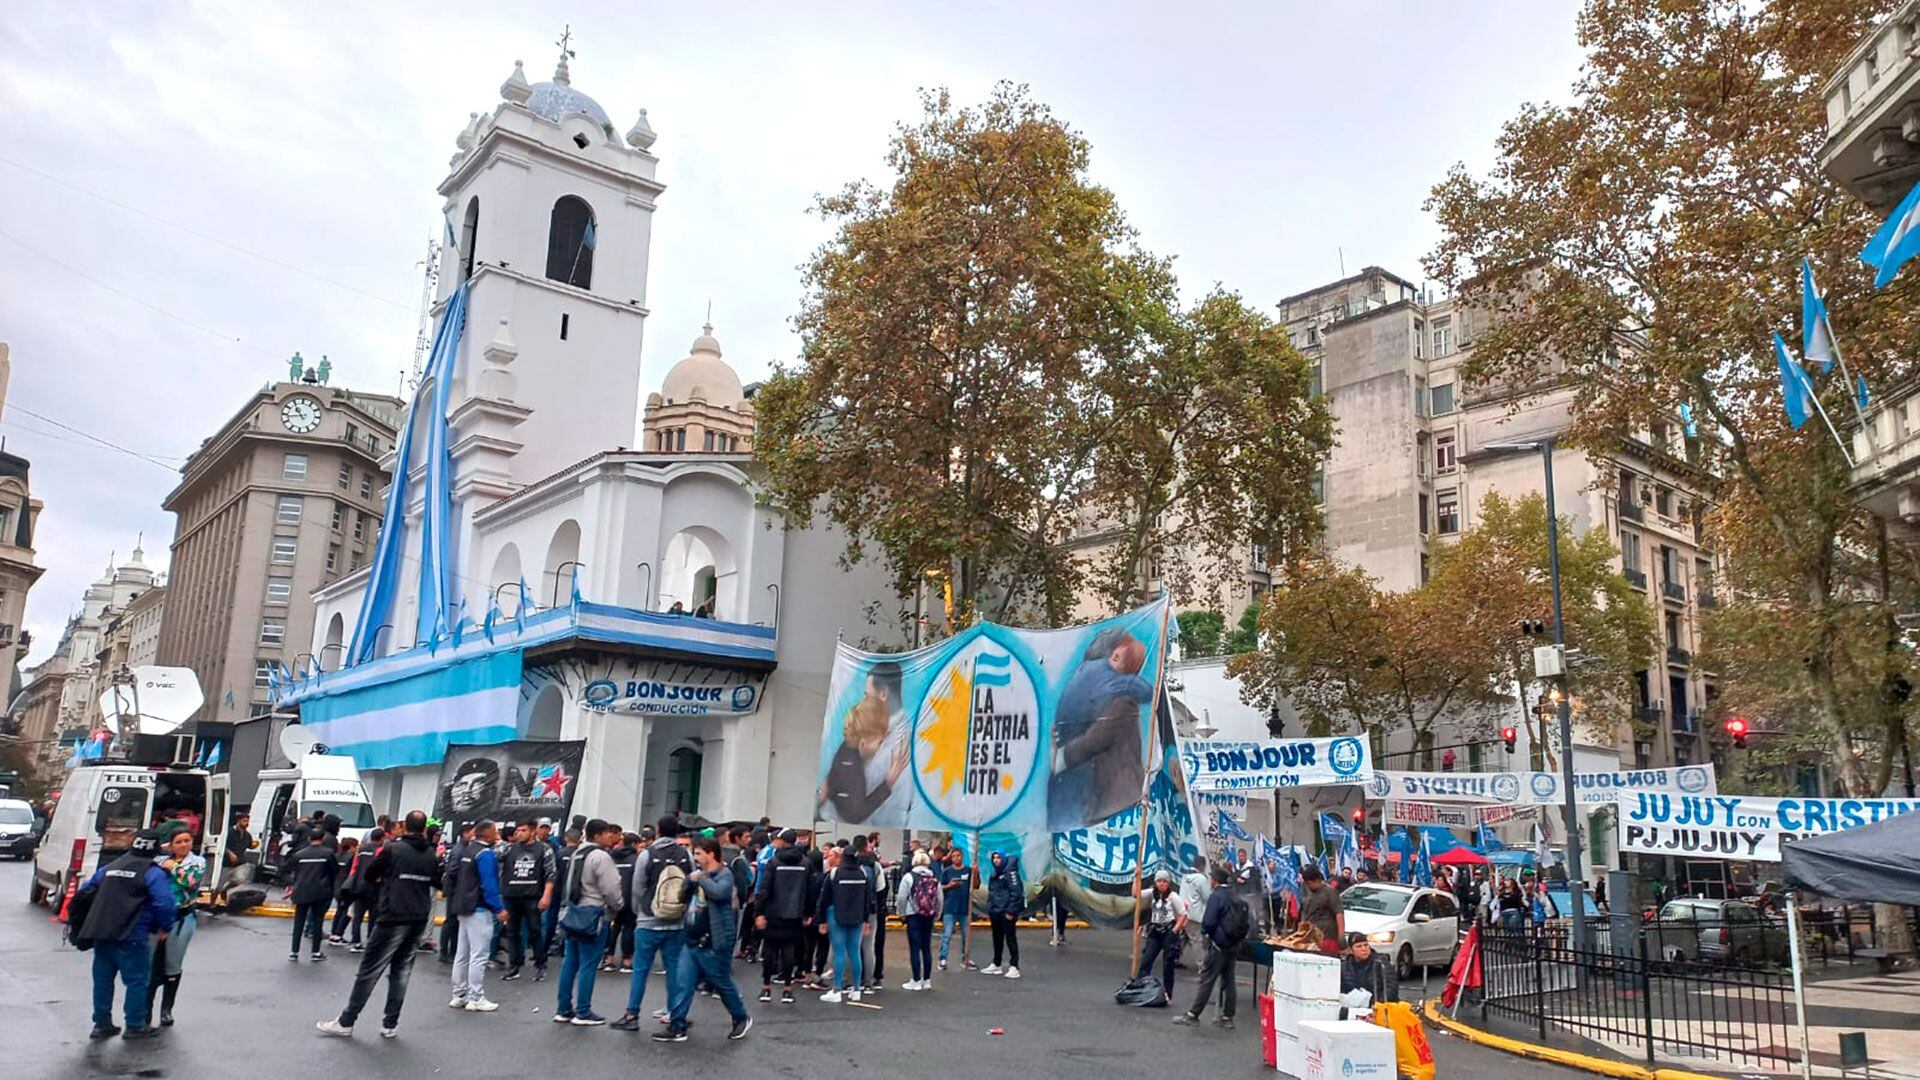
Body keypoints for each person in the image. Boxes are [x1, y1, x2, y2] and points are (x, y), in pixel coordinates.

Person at [317, 810, 439, 1039]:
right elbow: (436, 880)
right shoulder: (431, 854)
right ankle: (390, 1023)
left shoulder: (393, 849)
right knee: (401, 971)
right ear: (423, 829)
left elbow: (371, 873)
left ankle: (347, 1020)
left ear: (404, 827)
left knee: (369, 970)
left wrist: (387, 881)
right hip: (418, 916)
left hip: (393, 914)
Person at [78, 828, 177, 1041]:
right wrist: (164, 927)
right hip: (132, 934)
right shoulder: (152, 872)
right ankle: (134, 1025)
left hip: (102, 932)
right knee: (137, 981)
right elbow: (165, 903)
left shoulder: (110, 868)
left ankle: (101, 1023)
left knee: (103, 979)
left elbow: (86, 891)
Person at [658, 835, 753, 1042]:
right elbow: (682, 897)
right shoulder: (698, 875)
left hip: (713, 940)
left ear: (711, 854)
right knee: (683, 981)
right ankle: (677, 1025)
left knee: (721, 982)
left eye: (698, 853)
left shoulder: (724, 874)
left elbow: (720, 893)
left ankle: (740, 1017)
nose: (696, 857)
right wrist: (688, 883)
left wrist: (700, 878)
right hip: (692, 937)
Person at [613, 817, 694, 1031]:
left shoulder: (647, 854)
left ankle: (632, 1014)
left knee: (640, 969)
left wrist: (641, 911)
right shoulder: (684, 854)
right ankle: (675, 1013)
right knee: (674, 969)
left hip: (649, 920)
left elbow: (638, 886)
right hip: (676, 921)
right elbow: (690, 882)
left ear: (658, 830)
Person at [818, 662, 909, 823]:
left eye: (867, 695)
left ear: (883, 694)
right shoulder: (854, 747)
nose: (864, 702)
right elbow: (853, 811)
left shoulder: (898, 743)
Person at [553, 819, 623, 1026]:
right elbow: (611, 888)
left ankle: (563, 1008)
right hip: (593, 912)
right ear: (599, 835)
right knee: (588, 964)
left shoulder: (577, 853)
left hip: (573, 910)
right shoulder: (600, 856)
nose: (611, 837)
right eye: (608, 833)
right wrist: (617, 906)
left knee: (570, 962)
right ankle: (583, 1011)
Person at [146, 822, 206, 1027]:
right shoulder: (161, 859)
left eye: (187, 841)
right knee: (150, 964)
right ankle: (146, 1009)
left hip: (182, 917)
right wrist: (163, 850)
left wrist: (175, 867)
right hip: (157, 918)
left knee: (173, 963)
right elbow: (145, 858)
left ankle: (166, 1009)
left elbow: (190, 881)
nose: (183, 845)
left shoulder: (197, 862)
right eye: (178, 842)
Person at [1173, 866, 1247, 1029]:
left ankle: (1193, 1015)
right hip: (1233, 944)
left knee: (1207, 980)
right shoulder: (1235, 894)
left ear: (1215, 881)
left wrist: (1208, 934)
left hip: (1218, 945)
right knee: (1229, 981)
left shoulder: (1216, 897)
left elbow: (1209, 922)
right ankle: (1228, 1017)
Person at [447, 819, 506, 1012]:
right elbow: (489, 885)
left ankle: (459, 995)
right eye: (495, 830)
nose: (497, 834)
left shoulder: (467, 850)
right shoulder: (485, 854)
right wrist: (499, 909)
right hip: (479, 908)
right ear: (487, 833)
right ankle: (476, 997)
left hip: (462, 906)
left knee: (462, 954)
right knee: (479, 955)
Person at [754, 828, 812, 1004]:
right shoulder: (805, 863)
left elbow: (764, 889)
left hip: (773, 911)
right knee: (789, 951)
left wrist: (759, 912)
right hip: (795, 912)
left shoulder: (774, 861)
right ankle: (787, 989)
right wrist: (808, 913)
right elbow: (809, 890)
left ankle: (766, 987)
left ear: (782, 841)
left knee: (770, 951)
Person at [816, 836, 872, 1003]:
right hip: (857, 917)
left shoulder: (834, 873)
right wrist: (866, 920)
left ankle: (837, 989)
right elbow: (868, 899)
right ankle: (856, 989)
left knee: (839, 952)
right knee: (855, 952)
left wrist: (821, 920)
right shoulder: (863, 873)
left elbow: (824, 898)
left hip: (836, 915)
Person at [500, 820, 555, 981]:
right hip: (511, 895)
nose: (519, 834)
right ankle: (514, 966)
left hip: (532, 896)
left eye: (523, 830)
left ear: (532, 832)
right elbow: (494, 857)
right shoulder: (510, 848)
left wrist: (546, 895)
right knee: (512, 932)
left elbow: (551, 873)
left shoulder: (544, 849)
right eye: (518, 830)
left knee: (535, 932)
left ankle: (540, 965)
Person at [287, 828, 339, 962]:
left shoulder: (299, 854)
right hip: (320, 892)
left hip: (301, 892)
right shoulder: (328, 854)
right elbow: (334, 872)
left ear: (309, 839)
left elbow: (288, 870)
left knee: (299, 922)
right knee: (317, 922)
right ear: (322, 839)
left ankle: (294, 951)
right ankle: (315, 952)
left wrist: (292, 885)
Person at [1135, 869, 1188, 993]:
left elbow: (1183, 915)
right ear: (1156, 882)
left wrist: (1174, 931)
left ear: (1168, 883)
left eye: (1164, 881)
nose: (1162, 884)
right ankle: (1139, 986)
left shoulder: (1173, 896)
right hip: (1155, 930)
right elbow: (1135, 894)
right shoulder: (1152, 893)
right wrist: (1136, 878)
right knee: (1147, 959)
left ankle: (1167, 992)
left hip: (1169, 930)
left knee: (1168, 964)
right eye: (1159, 881)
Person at [895, 850, 941, 990]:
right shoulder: (934, 877)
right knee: (926, 947)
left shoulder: (909, 877)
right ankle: (927, 980)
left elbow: (902, 898)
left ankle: (916, 980)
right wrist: (936, 915)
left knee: (915, 948)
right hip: (928, 915)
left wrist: (901, 914)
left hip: (913, 914)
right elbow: (940, 898)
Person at [982, 850, 1023, 978]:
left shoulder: (1011, 873)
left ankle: (1014, 966)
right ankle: (996, 963)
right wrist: (990, 907)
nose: (995, 860)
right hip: (995, 911)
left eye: (998, 857)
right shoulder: (994, 873)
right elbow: (992, 891)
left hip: (1006, 912)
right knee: (997, 938)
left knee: (1010, 938)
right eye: (994, 858)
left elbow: (1016, 893)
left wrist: (1010, 911)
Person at [608, 829, 639, 973]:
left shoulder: (612, 857)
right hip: (630, 898)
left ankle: (608, 957)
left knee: (613, 928)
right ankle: (627, 959)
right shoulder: (636, 859)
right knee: (629, 928)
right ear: (633, 844)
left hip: (613, 898)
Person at [327, 836, 366, 948]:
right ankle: (338, 934)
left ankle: (334, 933)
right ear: (351, 847)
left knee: (339, 910)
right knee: (347, 912)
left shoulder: (337, 856)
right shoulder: (352, 857)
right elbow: (353, 872)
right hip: (347, 887)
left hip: (336, 887)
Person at [937, 847, 972, 971]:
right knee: (946, 935)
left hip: (964, 908)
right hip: (950, 908)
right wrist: (950, 885)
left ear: (962, 857)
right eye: (953, 856)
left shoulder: (968, 870)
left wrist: (976, 872)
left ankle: (965, 958)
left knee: (965, 935)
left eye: (958, 855)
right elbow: (940, 887)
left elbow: (976, 885)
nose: (956, 858)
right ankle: (943, 958)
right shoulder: (947, 872)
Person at [1339, 933, 1398, 1004]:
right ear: (1351, 950)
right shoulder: (1345, 966)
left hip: (1378, 1006)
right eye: (1359, 946)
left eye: (1366, 945)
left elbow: (1391, 989)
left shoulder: (1380, 963)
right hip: (1353, 1006)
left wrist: (1372, 1003)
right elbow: (1340, 990)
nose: (1364, 949)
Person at [1299, 863, 1344, 946]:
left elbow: (1339, 913)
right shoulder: (1304, 888)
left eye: (1309, 883)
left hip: (1325, 937)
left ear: (1317, 880)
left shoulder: (1329, 892)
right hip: (1308, 935)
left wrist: (1341, 937)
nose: (1307, 886)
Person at [1178, 856, 1212, 960]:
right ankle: (1203, 966)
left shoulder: (1184, 876)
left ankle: (1174, 958)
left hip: (1183, 912)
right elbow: (1207, 896)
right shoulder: (1201, 879)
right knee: (1197, 940)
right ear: (1202, 866)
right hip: (1195, 914)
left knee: (1183, 938)